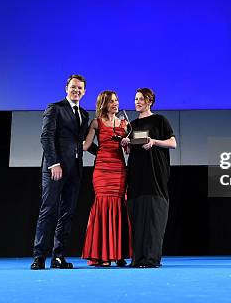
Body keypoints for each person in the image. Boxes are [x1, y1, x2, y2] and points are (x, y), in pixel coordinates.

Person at [31, 74, 96, 270]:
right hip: (55, 169)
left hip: (75, 170)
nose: (76, 91)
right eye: (73, 87)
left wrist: (107, 152)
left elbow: (84, 142)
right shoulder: (55, 108)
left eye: (80, 89)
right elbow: (46, 137)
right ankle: (39, 256)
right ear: (66, 89)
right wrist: (53, 164)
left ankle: (58, 256)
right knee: (48, 210)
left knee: (67, 214)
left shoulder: (84, 114)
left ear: (84, 92)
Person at [121, 88, 176, 268]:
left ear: (150, 101)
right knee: (136, 217)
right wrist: (126, 144)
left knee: (154, 217)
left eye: (141, 99)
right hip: (136, 175)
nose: (137, 102)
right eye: (135, 99)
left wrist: (154, 141)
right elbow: (130, 151)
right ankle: (138, 259)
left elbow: (173, 143)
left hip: (155, 175)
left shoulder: (160, 120)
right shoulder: (132, 125)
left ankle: (151, 259)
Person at [81, 91, 131, 267]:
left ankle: (119, 254)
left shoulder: (125, 124)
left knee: (119, 207)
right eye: (111, 101)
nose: (115, 104)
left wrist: (127, 143)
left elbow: (128, 152)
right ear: (103, 104)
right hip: (102, 169)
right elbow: (86, 146)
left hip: (119, 169)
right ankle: (102, 255)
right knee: (102, 206)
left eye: (116, 100)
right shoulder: (96, 122)